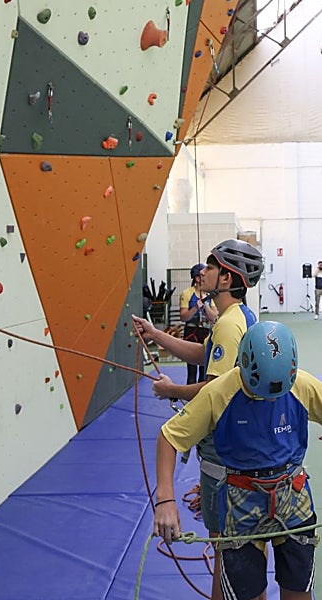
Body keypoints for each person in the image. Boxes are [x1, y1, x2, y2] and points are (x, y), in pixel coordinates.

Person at [155, 321, 322, 600]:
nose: (269, 401)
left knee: (298, 590)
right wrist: (165, 499)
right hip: (240, 501)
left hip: (292, 496)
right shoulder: (219, 392)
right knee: (244, 591)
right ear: (244, 366)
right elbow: (170, 436)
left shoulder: (302, 385)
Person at [133, 239, 263, 599]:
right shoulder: (238, 318)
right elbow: (205, 354)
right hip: (241, 445)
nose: (202, 272)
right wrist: (156, 334)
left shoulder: (228, 324)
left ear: (226, 278)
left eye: (210, 266)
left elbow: (212, 389)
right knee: (236, 547)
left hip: (225, 453)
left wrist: (171, 390)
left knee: (224, 546)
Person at [179, 263, 216, 385]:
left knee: (204, 369)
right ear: (196, 278)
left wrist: (205, 304)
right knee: (192, 369)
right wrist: (195, 307)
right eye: (201, 275)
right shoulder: (187, 293)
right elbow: (184, 317)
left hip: (205, 332)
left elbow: (213, 317)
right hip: (191, 332)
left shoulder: (211, 295)